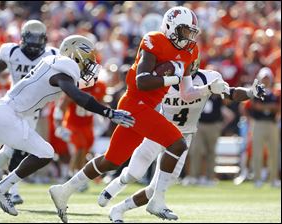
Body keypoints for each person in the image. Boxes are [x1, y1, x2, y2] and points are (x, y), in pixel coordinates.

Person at [49, 6, 230, 223]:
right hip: (135, 103)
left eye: (192, 32)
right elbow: (141, 81)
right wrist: (173, 75)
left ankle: (63, 190)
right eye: (185, 31)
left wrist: (209, 88)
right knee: (178, 144)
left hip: (147, 108)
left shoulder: (190, 51)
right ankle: (157, 201)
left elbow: (187, 92)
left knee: (111, 161)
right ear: (172, 27)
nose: (189, 37)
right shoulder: (155, 40)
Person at [0, 34, 135, 217]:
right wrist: (109, 113)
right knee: (46, 152)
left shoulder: (53, 62)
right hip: (9, 115)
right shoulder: (65, 66)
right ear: (75, 55)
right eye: (87, 61)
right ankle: (1, 188)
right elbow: (78, 97)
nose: (88, 65)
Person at [101, 58, 266, 223]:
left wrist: (251, 92)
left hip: (183, 138)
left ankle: (119, 209)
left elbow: (231, 93)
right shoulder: (164, 80)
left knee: (158, 187)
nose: (181, 71)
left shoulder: (208, 77)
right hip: (160, 132)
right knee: (134, 173)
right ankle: (113, 188)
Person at [0, 20, 59, 204]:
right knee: (12, 150)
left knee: (12, 151)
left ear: (44, 39)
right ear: (23, 37)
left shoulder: (51, 56)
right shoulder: (12, 53)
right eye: (30, 37)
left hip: (31, 111)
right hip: (12, 106)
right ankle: (8, 188)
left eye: (37, 37)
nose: (33, 42)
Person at [54, 80, 107, 185]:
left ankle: (78, 175)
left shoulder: (100, 86)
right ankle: (72, 176)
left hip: (88, 125)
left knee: (85, 151)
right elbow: (62, 106)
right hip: (72, 124)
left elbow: (101, 104)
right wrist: (59, 126)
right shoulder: (75, 86)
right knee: (80, 147)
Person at [249, 67, 280, 187]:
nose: (266, 80)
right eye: (264, 78)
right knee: (257, 152)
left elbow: (277, 107)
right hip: (259, 123)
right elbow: (256, 106)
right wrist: (269, 106)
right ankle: (257, 178)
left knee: (273, 152)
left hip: (272, 124)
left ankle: (273, 179)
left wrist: (266, 106)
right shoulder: (256, 92)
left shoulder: (275, 93)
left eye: (267, 78)